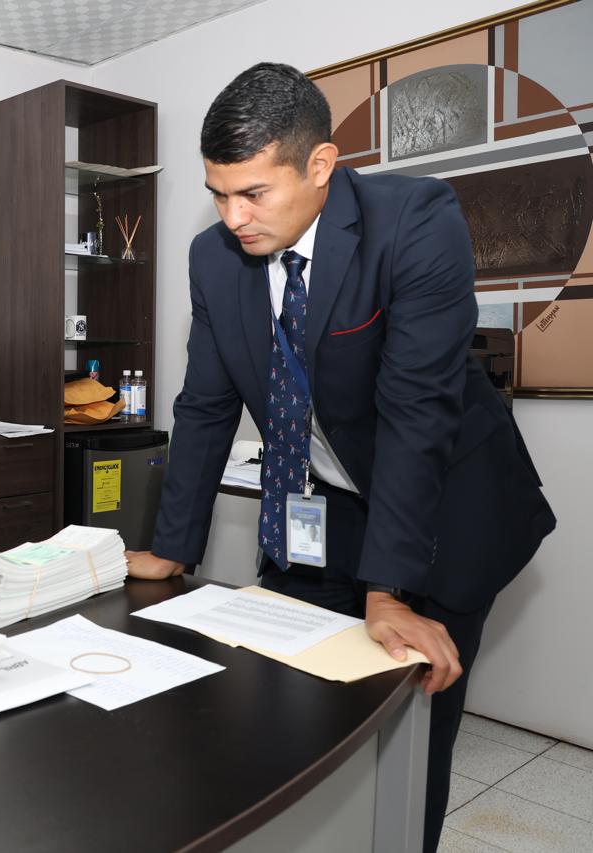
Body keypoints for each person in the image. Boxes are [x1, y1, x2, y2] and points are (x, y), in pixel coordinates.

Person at [125, 63, 555, 851]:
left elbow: (416, 416)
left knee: (405, 731)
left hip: (442, 514)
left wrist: (389, 590)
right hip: (320, 509)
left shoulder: (416, 221)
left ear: (320, 164)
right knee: (276, 705)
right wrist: (171, 546)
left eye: (253, 193)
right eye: (218, 194)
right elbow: (205, 407)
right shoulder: (214, 259)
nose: (233, 216)